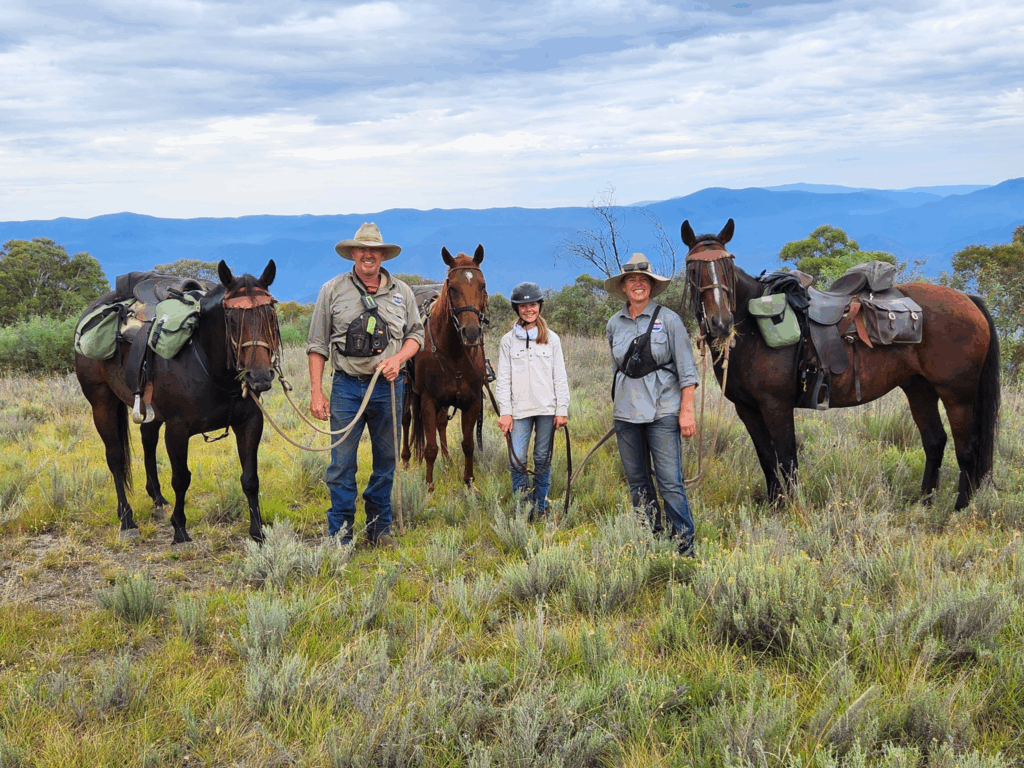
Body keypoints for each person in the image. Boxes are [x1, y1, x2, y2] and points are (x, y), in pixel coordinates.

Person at [306, 222, 424, 548]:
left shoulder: (402, 292)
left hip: (389, 388)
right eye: (362, 249)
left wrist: (398, 359)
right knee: (341, 464)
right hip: (346, 388)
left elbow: (416, 335)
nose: (368, 255)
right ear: (353, 253)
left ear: (382, 255)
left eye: (375, 250)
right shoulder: (332, 290)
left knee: (386, 461)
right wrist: (316, 392)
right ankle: (340, 534)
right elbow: (317, 344)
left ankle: (379, 529)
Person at [605, 253, 698, 556]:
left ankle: (684, 546)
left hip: (663, 411)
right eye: (631, 280)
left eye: (643, 280)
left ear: (651, 285)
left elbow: (687, 371)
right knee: (638, 482)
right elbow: (617, 370)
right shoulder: (614, 324)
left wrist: (686, 412)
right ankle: (651, 538)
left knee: (670, 482)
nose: (638, 284)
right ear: (623, 287)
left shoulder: (669, 320)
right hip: (625, 413)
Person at [495, 281, 570, 519]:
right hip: (518, 411)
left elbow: (560, 376)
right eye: (523, 306)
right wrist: (505, 412)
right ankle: (522, 508)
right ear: (517, 309)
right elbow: (503, 378)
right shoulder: (507, 341)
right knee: (517, 459)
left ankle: (540, 507)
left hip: (547, 409)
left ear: (540, 306)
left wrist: (562, 409)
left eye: (533, 305)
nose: (529, 309)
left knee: (542, 458)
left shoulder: (552, 339)